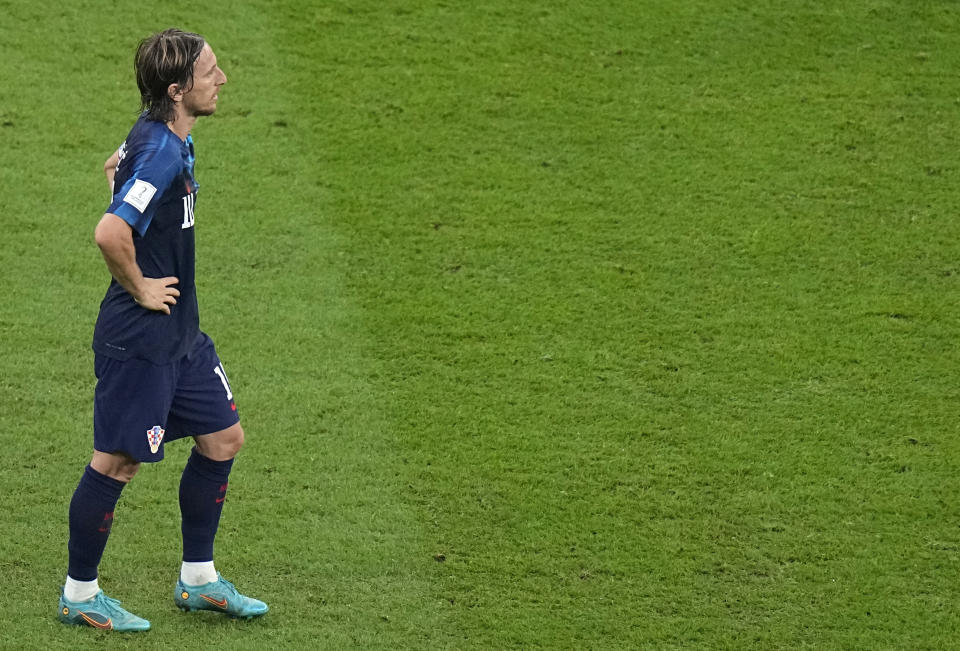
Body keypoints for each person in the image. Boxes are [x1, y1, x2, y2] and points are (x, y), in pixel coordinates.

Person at [58, 28, 267, 632]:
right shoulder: (164, 152)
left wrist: (123, 185)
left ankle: (198, 580)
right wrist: (141, 287)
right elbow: (109, 231)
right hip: (141, 338)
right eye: (211, 73)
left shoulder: (163, 135)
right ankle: (79, 594)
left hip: (182, 337)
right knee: (117, 462)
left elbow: (116, 169)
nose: (222, 80)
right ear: (177, 91)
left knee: (223, 438)